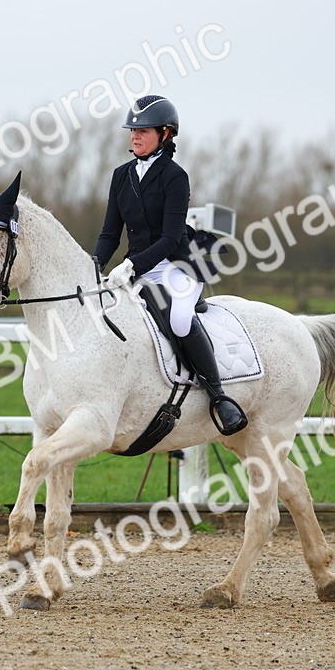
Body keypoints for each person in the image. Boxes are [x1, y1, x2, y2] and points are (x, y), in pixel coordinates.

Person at [92, 94, 247, 435]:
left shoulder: (175, 177)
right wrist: (92, 266)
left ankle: (219, 397)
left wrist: (132, 265)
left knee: (178, 319)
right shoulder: (121, 176)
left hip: (176, 266)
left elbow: (171, 238)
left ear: (165, 134)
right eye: (132, 130)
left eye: (143, 131)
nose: (134, 136)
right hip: (135, 269)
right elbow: (109, 233)